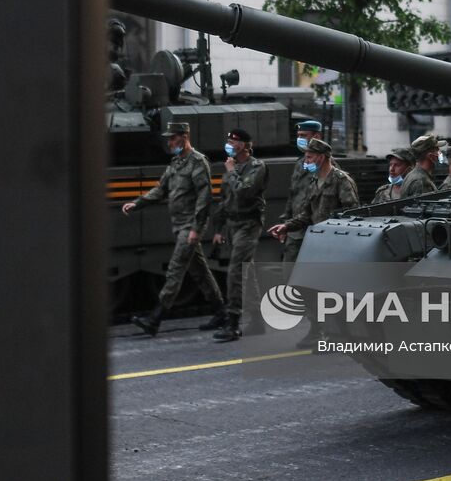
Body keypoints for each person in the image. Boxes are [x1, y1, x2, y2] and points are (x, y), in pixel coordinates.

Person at [121, 122, 225, 336]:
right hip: (179, 225)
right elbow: (161, 190)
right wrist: (138, 203)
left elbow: (204, 198)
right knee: (200, 272)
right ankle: (221, 312)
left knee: (175, 270)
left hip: (190, 226)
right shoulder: (176, 163)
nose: (169, 142)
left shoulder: (198, 162)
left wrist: (197, 228)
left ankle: (154, 319)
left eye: (172, 138)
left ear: (184, 137)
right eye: (168, 139)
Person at [266, 138, 358, 347]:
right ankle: (322, 330)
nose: (306, 159)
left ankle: (338, 337)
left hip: (336, 247)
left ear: (321, 157)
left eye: (309, 156)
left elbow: (352, 215)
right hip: (317, 246)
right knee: (308, 288)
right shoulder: (314, 181)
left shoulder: (341, 180)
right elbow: (306, 215)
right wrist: (286, 226)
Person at [209, 128, 268, 341]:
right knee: (246, 272)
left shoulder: (257, 167)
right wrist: (218, 229)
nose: (229, 144)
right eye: (228, 140)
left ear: (243, 145)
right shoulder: (232, 166)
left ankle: (232, 323)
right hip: (233, 225)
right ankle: (257, 320)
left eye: (233, 141)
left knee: (235, 271)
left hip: (248, 225)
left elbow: (244, 192)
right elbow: (225, 199)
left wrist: (232, 171)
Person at [278, 120, 323, 263]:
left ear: (317, 136)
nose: (300, 139)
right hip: (295, 231)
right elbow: (293, 195)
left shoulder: (327, 165)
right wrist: (286, 223)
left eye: (304, 135)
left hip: (315, 231)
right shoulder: (299, 164)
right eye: (298, 135)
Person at [396, 134, 442, 198]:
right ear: (431, 156)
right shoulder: (420, 181)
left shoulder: (414, 175)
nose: (440, 153)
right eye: (437, 150)